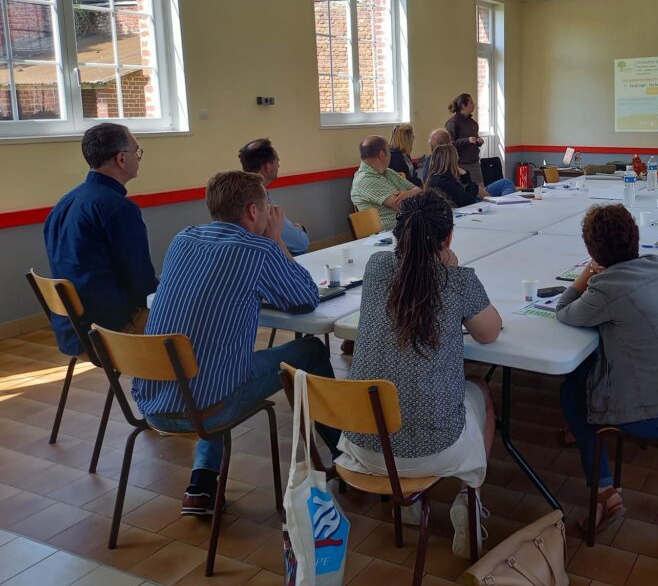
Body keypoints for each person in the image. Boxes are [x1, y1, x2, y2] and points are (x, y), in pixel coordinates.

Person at [133, 171, 338, 516]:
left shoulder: (183, 239)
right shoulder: (258, 249)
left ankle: (202, 483)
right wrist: (276, 241)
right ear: (253, 211)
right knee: (312, 350)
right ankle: (346, 456)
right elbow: (305, 298)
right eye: (267, 205)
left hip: (152, 401)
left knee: (212, 361)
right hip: (209, 406)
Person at [336, 190, 502, 558]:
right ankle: (468, 499)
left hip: (364, 444)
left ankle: (407, 503)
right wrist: (454, 270)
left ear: (399, 233)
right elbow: (489, 333)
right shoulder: (455, 278)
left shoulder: (377, 267)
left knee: (397, 382)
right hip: (432, 450)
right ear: (448, 238)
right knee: (481, 391)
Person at [556, 204, 658, 534]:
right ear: (635, 239)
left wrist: (587, 272)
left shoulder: (607, 288)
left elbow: (565, 311)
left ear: (591, 250)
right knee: (585, 375)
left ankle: (604, 494)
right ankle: (585, 443)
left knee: (574, 392)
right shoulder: (657, 266)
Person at [43, 123, 157, 355]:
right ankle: (194, 389)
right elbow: (140, 284)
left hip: (72, 329)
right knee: (195, 317)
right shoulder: (118, 209)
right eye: (137, 151)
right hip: (109, 331)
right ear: (122, 159)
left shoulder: (64, 203)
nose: (138, 157)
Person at [239, 137, 309, 255]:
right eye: (277, 161)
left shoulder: (238, 195)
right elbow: (301, 243)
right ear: (268, 167)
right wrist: (302, 229)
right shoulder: (261, 203)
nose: (279, 165)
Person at [351, 135, 420, 231]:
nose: (391, 154)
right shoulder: (365, 180)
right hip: (389, 235)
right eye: (389, 151)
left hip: (408, 227)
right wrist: (414, 193)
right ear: (382, 155)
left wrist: (410, 193)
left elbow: (418, 190)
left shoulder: (388, 172)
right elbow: (403, 205)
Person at [444, 93, 485, 186]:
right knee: (465, 191)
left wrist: (479, 142)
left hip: (474, 162)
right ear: (463, 105)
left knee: (482, 189)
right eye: (471, 102)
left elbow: (474, 140)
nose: (474, 105)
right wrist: (467, 140)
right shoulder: (452, 123)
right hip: (460, 164)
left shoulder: (473, 123)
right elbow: (449, 144)